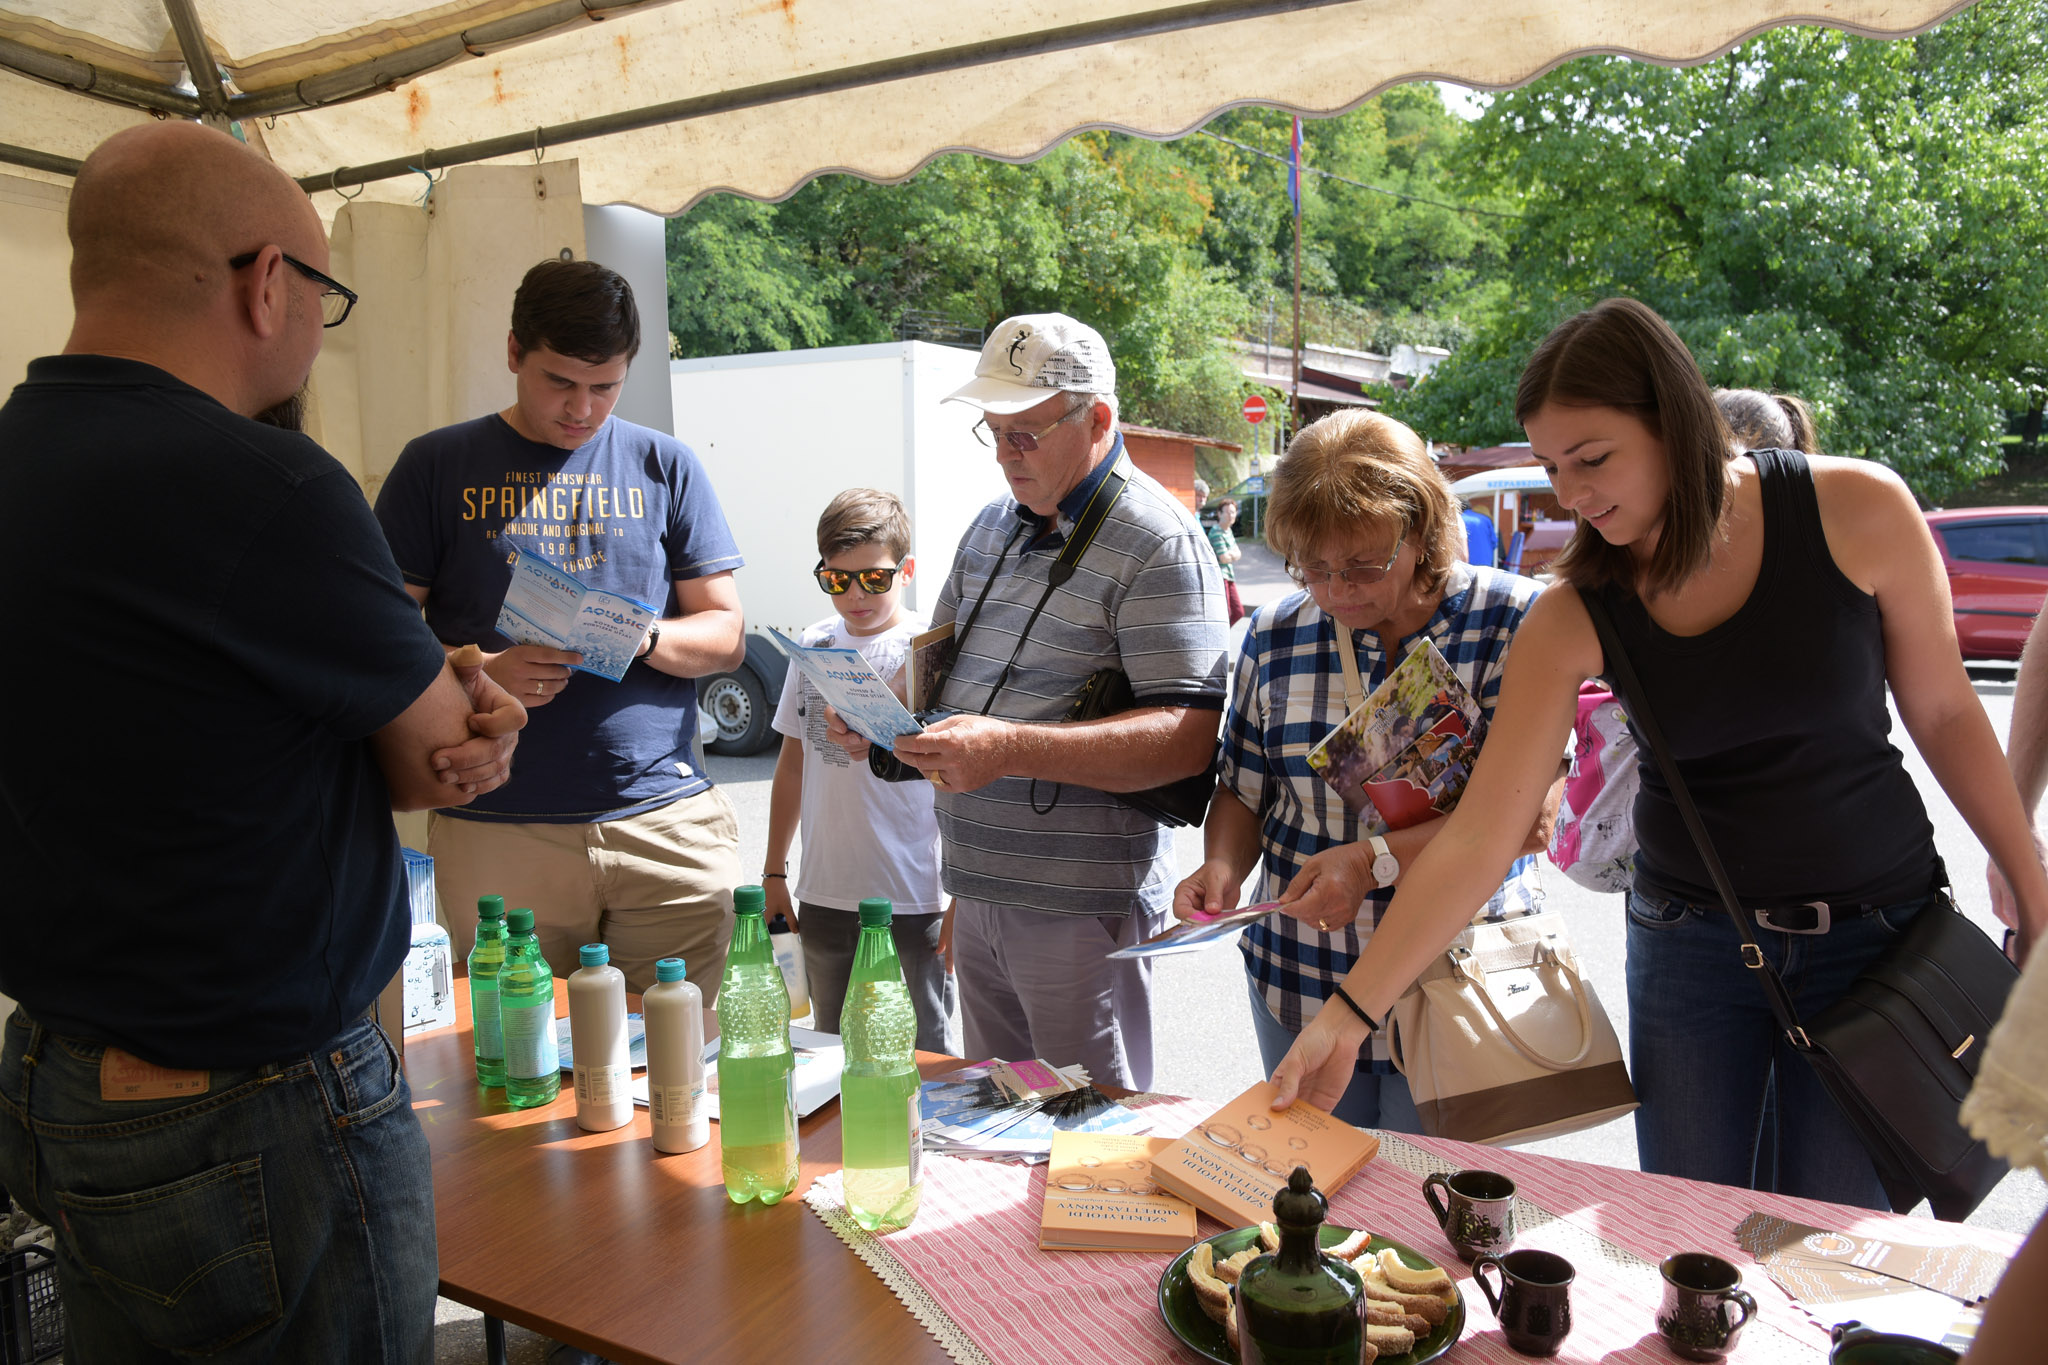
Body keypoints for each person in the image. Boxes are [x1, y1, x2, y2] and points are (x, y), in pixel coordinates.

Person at [1270, 297, 2048, 1209]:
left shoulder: (1857, 508)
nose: (1573, 496)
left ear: (1673, 418)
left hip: (1877, 936)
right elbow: (1484, 834)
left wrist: (2028, 883)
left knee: (1830, 1237)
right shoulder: (1575, 609)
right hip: (1694, 948)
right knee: (1696, 1236)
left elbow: (1949, 713)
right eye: (1553, 467)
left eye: (1593, 459)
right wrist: (1348, 1015)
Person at [0, 121, 527, 1360]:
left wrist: (429, 694)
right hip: (249, 1107)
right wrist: (459, 699)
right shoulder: (267, 486)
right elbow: (437, 753)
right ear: (267, 280)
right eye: (322, 294)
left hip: (62, 1073)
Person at [838, 313, 1229, 1089]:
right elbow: (935, 672)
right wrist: (875, 711)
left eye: (1027, 433)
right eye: (995, 432)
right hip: (979, 889)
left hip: (1081, 906)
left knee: (1090, 1144)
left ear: (1099, 420)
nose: (1008, 456)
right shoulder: (991, 527)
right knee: (998, 1124)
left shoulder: (1160, 538)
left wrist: (1009, 747)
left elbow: (1188, 737)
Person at [1172, 409, 1556, 1129]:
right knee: (1315, 1196)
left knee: (1434, 1210)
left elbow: (1529, 820)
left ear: (1421, 530)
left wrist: (1370, 861)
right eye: (1313, 568)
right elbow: (1242, 788)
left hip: (1457, 979)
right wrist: (1220, 865)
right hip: (1301, 977)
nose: (1337, 591)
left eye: (1363, 566)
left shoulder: (1515, 621)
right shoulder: (1274, 635)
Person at [376, 260, 747, 1000]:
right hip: (498, 827)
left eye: (605, 386)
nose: (583, 408)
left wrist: (640, 634)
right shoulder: (436, 464)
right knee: (519, 1076)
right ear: (514, 352)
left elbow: (726, 633)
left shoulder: (664, 464)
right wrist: (475, 668)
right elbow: (377, 634)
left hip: (663, 823)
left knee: (687, 1068)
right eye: (559, 382)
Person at [764, 489, 951, 1051]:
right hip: (824, 894)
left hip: (914, 897)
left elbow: (967, 786)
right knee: (833, 1052)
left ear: (907, 571)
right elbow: (792, 763)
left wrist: (963, 892)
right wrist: (775, 873)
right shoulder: (814, 644)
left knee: (920, 1053)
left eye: (873, 578)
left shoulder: (930, 649)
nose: (854, 594)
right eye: (837, 580)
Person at [1207, 496, 1247, 624]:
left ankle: (1219, 638)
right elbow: (1224, 558)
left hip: (1229, 576)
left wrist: (1232, 554)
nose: (1231, 515)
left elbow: (1238, 554)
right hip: (1219, 577)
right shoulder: (1216, 531)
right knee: (1225, 613)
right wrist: (1233, 554)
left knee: (1238, 611)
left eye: (1233, 512)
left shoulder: (1228, 531)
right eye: (1228, 512)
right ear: (1219, 514)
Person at [1460, 497, 1501, 569]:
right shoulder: (1486, 519)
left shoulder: (1458, 520)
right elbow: (1494, 542)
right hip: (1486, 563)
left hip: (1467, 566)